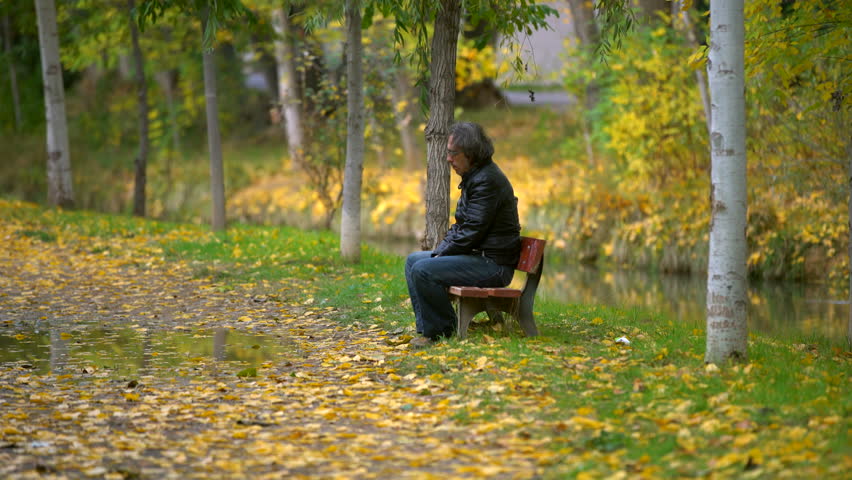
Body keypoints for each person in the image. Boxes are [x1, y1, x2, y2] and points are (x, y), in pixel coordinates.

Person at [404, 122, 522, 347]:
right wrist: (440, 251)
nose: (449, 159)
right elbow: (462, 226)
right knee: (413, 261)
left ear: (471, 153)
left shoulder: (487, 180)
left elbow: (472, 232)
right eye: (448, 152)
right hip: (480, 256)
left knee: (423, 269)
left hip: (493, 264)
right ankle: (428, 328)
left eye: (453, 153)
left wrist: (441, 254)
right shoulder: (475, 177)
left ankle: (440, 331)